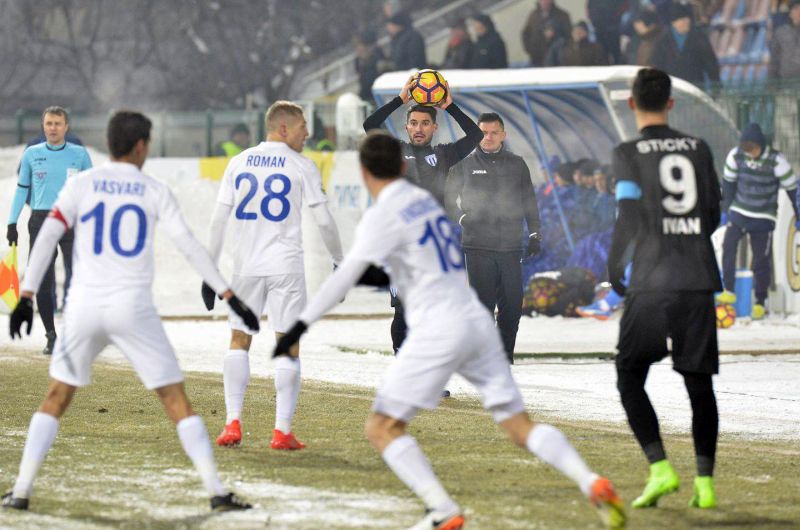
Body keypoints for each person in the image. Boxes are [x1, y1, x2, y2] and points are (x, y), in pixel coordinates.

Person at [272, 131, 626, 530]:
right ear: (403, 166)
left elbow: (345, 277)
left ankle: (442, 510)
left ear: (364, 172)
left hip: (437, 327)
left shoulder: (382, 214)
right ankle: (591, 481)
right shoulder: (425, 203)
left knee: (382, 427)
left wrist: (298, 327)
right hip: (474, 319)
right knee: (519, 426)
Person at [2, 111, 256, 513]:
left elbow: (48, 235)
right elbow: (188, 245)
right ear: (141, 146)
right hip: (132, 307)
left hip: (85, 306)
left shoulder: (81, 184)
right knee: (175, 399)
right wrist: (229, 294)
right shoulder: (153, 189)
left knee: (56, 396)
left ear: (110, 142)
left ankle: (20, 491)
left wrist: (27, 296)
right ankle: (216, 492)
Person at [608, 68, 722, 510]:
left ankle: (660, 468)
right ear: (670, 103)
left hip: (652, 280)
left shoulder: (628, 152)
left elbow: (628, 214)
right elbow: (712, 212)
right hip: (697, 277)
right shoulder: (699, 148)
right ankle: (705, 483)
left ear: (632, 103)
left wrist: (616, 263)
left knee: (629, 373)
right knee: (699, 381)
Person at [206, 101, 344, 450]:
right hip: (286, 267)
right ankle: (281, 432)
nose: (307, 133)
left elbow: (218, 220)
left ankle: (232, 423)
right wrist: (339, 262)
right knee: (288, 344)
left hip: (246, 267)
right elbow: (324, 221)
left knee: (239, 339)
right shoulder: (302, 165)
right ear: (283, 128)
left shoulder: (239, 162)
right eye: (302, 127)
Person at [362, 73, 482, 354]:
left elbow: (475, 136)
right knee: (404, 312)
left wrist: (449, 105)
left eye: (425, 123)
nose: (419, 128)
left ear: (434, 127)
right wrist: (400, 99)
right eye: (414, 123)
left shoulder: (444, 155)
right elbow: (370, 125)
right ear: (406, 127)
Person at [446, 113, 541, 363]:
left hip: (510, 245)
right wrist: (462, 219)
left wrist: (534, 233)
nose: (488, 137)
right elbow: (447, 199)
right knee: (483, 306)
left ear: (503, 135)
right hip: (477, 246)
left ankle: (504, 356)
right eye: (483, 133)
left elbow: (529, 200)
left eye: (493, 133)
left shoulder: (517, 164)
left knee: (512, 304)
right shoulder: (464, 164)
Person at [6, 106, 92, 356]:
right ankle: (51, 335)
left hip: (71, 220)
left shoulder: (80, 154)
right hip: (41, 220)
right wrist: (12, 223)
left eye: (57, 123)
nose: (53, 128)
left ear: (66, 127)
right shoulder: (32, 154)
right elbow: (22, 189)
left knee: (79, 276)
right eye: (49, 123)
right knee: (42, 279)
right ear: (43, 126)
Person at [718, 123, 799, 319]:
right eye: (746, 149)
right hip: (739, 211)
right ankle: (729, 289)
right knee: (728, 246)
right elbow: (728, 185)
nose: (750, 153)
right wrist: (726, 210)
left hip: (763, 217)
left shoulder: (777, 161)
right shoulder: (735, 156)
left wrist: (798, 214)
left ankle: (760, 301)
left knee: (761, 259)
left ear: (761, 145)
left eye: (752, 149)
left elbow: (792, 190)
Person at [650, 3, 720, 87]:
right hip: (672, 87)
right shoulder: (663, 40)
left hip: (695, 87)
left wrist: (716, 87)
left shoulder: (700, 38)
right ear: (674, 22)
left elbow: (711, 64)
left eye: (687, 19)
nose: (686, 22)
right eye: (682, 19)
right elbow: (657, 65)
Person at [522, 0, 572, 66]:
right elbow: (525, 34)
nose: (545, 1)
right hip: (536, 60)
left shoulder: (562, 16)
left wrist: (555, 35)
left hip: (556, 62)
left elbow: (569, 38)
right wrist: (530, 50)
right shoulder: (533, 15)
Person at [768, 0, 800, 80]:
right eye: (796, 8)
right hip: (786, 82)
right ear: (790, 13)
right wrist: (772, 82)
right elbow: (774, 60)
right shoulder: (781, 33)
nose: (799, 11)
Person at [356, 30, 386, 102]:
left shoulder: (376, 59)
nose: (358, 49)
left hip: (373, 96)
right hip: (369, 95)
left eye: (360, 45)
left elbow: (369, 82)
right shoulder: (360, 59)